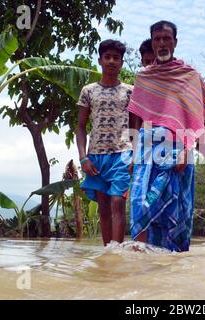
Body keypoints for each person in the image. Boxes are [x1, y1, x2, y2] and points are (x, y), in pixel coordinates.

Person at [128, 20, 205, 252]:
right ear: (153, 42)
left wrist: (188, 151)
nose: (162, 43)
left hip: (180, 150)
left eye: (167, 38)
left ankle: (172, 271)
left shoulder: (190, 77)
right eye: (158, 39)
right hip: (147, 150)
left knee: (177, 210)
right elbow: (135, 120)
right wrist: (132, 154)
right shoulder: (144, 77)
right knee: (140, 203)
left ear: (175, 42)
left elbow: (199, 120)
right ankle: (138, 267)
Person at [76, 39, 133, 246]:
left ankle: (116, 251)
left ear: (121, 63)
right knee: (103, 207)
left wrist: (136, 154)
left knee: (118, 201)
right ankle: (107, 253)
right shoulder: (88, 91)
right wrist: (83, 158)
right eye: (107, 57)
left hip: (123, 154)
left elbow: (137, 126)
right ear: (99, 60)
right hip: (96, 157)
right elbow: (81, 127)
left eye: (116, 58)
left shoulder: (130, 91)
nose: (111, 61)